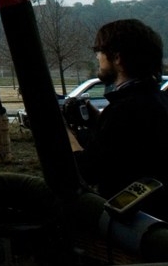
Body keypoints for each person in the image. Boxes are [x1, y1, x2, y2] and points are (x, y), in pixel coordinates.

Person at [68, 19, 168, 217]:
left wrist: (64, 135)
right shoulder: (159, 100)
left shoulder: (124, 111)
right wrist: (97, 120)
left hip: (133, 225)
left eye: (99, 51)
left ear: (118, 58)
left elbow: (87, 171)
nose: (97, 58)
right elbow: (126, 148)